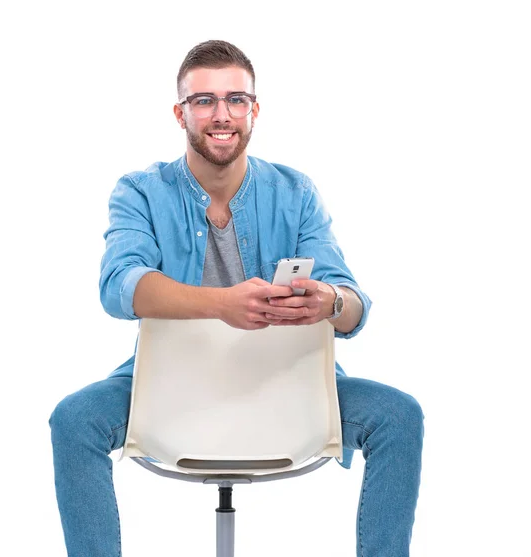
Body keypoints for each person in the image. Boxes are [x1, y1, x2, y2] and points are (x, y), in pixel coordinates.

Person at [50, 39, 424, 557]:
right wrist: (222, 303)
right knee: (74, 419)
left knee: (400, 415)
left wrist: (329, 302)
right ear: (181, 112)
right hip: (169, 387)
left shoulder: (295, 192)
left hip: (290, 388)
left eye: (236, 99)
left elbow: (354, 306)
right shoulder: (140, 191)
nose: (221, 114)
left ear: (254, 110)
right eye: (203, 100)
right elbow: (120, 286)